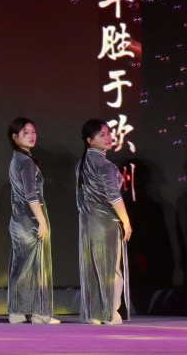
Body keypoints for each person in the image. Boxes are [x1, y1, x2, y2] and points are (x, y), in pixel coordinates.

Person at [77, 118, 132, 325]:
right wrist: (126, 221)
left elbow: (80, 198)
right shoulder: (104, 165)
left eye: (108, 133)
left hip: (88, 221)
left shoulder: (81, 164)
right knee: (110, 268)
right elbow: (114, 196)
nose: (108, 137)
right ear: (90, 140)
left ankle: (94, 313)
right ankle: (110, 313)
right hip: (105, 221)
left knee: (92, 267)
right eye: (102, 135)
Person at [6, 118, 59, 324]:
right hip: (30, 218)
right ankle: (39, 313)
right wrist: (42, 222)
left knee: (22, 265)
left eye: (33, 131)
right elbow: (31, 196)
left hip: (20, 218)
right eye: (25, 132)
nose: (31, 135)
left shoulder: (18, 159)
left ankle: (18, 312)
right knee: (36, 265)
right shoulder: (25, 161)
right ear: (15, 137)